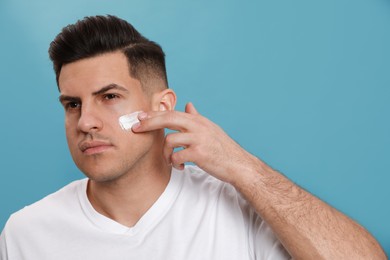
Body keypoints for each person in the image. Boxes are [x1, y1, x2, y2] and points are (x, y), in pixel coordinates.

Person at [0, 15, 386, 260]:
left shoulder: (236, 208)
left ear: (161, 105)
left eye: (110, 97)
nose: (86, 122)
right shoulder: (27, 232)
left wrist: (244, 169)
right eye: (72, 104)